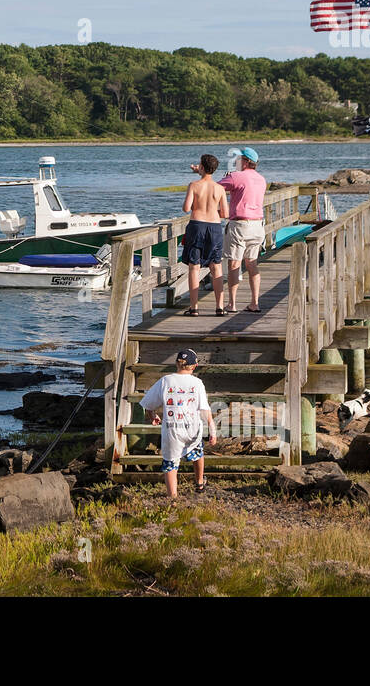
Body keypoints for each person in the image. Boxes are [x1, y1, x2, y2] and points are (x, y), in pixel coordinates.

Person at [139, 349, 216, 498]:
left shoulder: (166, 381)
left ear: (176, 364)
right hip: (192, 429)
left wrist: (153, 416)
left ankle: (173, 499)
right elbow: (205, 409)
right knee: (198, 453)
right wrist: (212, 431)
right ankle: (200, 483)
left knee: (170, 464)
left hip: (172, 430)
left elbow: (148, 404)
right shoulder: (197, 383)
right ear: (195, 366)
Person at [220, 146, 267, 313]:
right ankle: (254, 303)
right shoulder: (261, 179)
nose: (236, 161)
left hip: (240, 225)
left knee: (234, 264)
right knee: (252, 264)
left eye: (239, 159)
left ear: (246, 162)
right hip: (257, 225)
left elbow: (214, 189)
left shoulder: (236, 176)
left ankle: (232, 304)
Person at [180, 154, 228, 316]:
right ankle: (219, 307)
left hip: (197, 225)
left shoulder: (194, 185)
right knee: (216, 266)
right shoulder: (220, 188)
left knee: (194, 266)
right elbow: (226, 213)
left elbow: (186, 208)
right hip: (214, 227)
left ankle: (194, 308)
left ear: (201, 167)